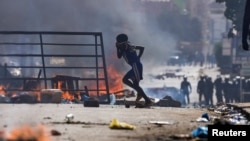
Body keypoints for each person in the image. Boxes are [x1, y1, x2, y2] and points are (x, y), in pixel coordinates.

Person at [115, 33, 153, 107]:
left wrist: (117, 48)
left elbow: (119, 56)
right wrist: (138, 57)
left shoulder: (124, 46)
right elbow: (142, 48)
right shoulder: (130, 44)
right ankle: (141, 94)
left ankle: (147, 100)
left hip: (136, 66)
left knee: (126, 80)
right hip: (137, 66)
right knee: (135, 84)